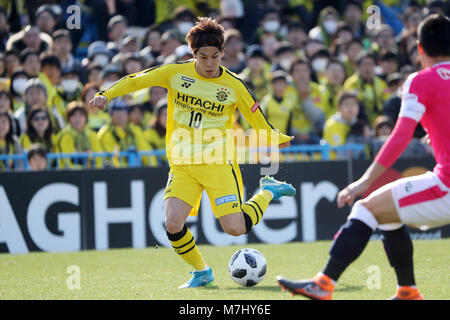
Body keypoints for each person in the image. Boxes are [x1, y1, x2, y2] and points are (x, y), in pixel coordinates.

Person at [90, 17, 296, 289]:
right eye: (203, 57)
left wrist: (274, 138)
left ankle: (268, 190)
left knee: (235, 228)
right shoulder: (176, 73)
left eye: (215, 56)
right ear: (193, 54)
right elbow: (137, 80)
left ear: (222, 53)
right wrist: (107, 93)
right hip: (182, 165)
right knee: (172, 223)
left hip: (217, 163)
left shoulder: (233, 84)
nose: (210, 63)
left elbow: (254, 114)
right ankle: (202, 272)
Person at [277, 14, 450, 300]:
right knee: (388, 216)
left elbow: (401, 134)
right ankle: (407, 290)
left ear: (419, 49)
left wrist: (364, 180)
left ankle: (324, 283)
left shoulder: (421, 81)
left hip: (446, 187)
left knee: (366, 208)